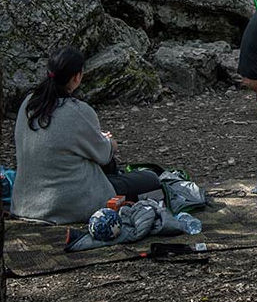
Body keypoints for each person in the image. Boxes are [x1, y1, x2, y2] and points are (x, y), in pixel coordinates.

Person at [11, 46, 162, 223]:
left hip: (25, 203)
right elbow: (104, 155)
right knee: (150, 179)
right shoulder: (79, 111)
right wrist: (110, 141)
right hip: (68, 203)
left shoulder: (28, 103)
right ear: (77, 76)